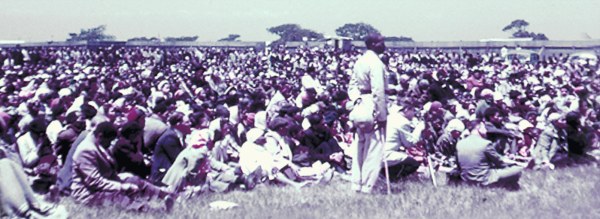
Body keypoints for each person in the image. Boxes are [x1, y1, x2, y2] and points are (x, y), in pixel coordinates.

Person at [71, 122, 175, 211]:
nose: (110, 144)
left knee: (134, 180)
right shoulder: (86, 150)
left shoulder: (98, 144)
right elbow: (95, 182)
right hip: (88, 194)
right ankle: (155, 211)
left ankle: (164, 194)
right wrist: (122, 187)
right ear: (100, 136)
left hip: (104, 184)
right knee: (118, 198)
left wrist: (125, 181)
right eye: (109, 141)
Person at [347, 33, 388, 193]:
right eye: (380, 42)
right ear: (372, 44)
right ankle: (367, 187)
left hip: (360, 105)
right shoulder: (376, 62)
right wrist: (382, 115)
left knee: (360, 146)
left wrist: (357, 99)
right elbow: (378, 90)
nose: (383, 44)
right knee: (373, 149)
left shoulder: (360, 60)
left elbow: (352, 85)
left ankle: (356, 184)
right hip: (372, 103)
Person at [456, 134, 524, 190]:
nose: (485, 131)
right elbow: (500, 162)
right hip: (484, 179)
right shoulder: (485, 143)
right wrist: (511, 164)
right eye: (484, 128)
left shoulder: (460, 143)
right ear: (479, 128)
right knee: (517, 169)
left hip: (466, 179)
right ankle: (507, 188)